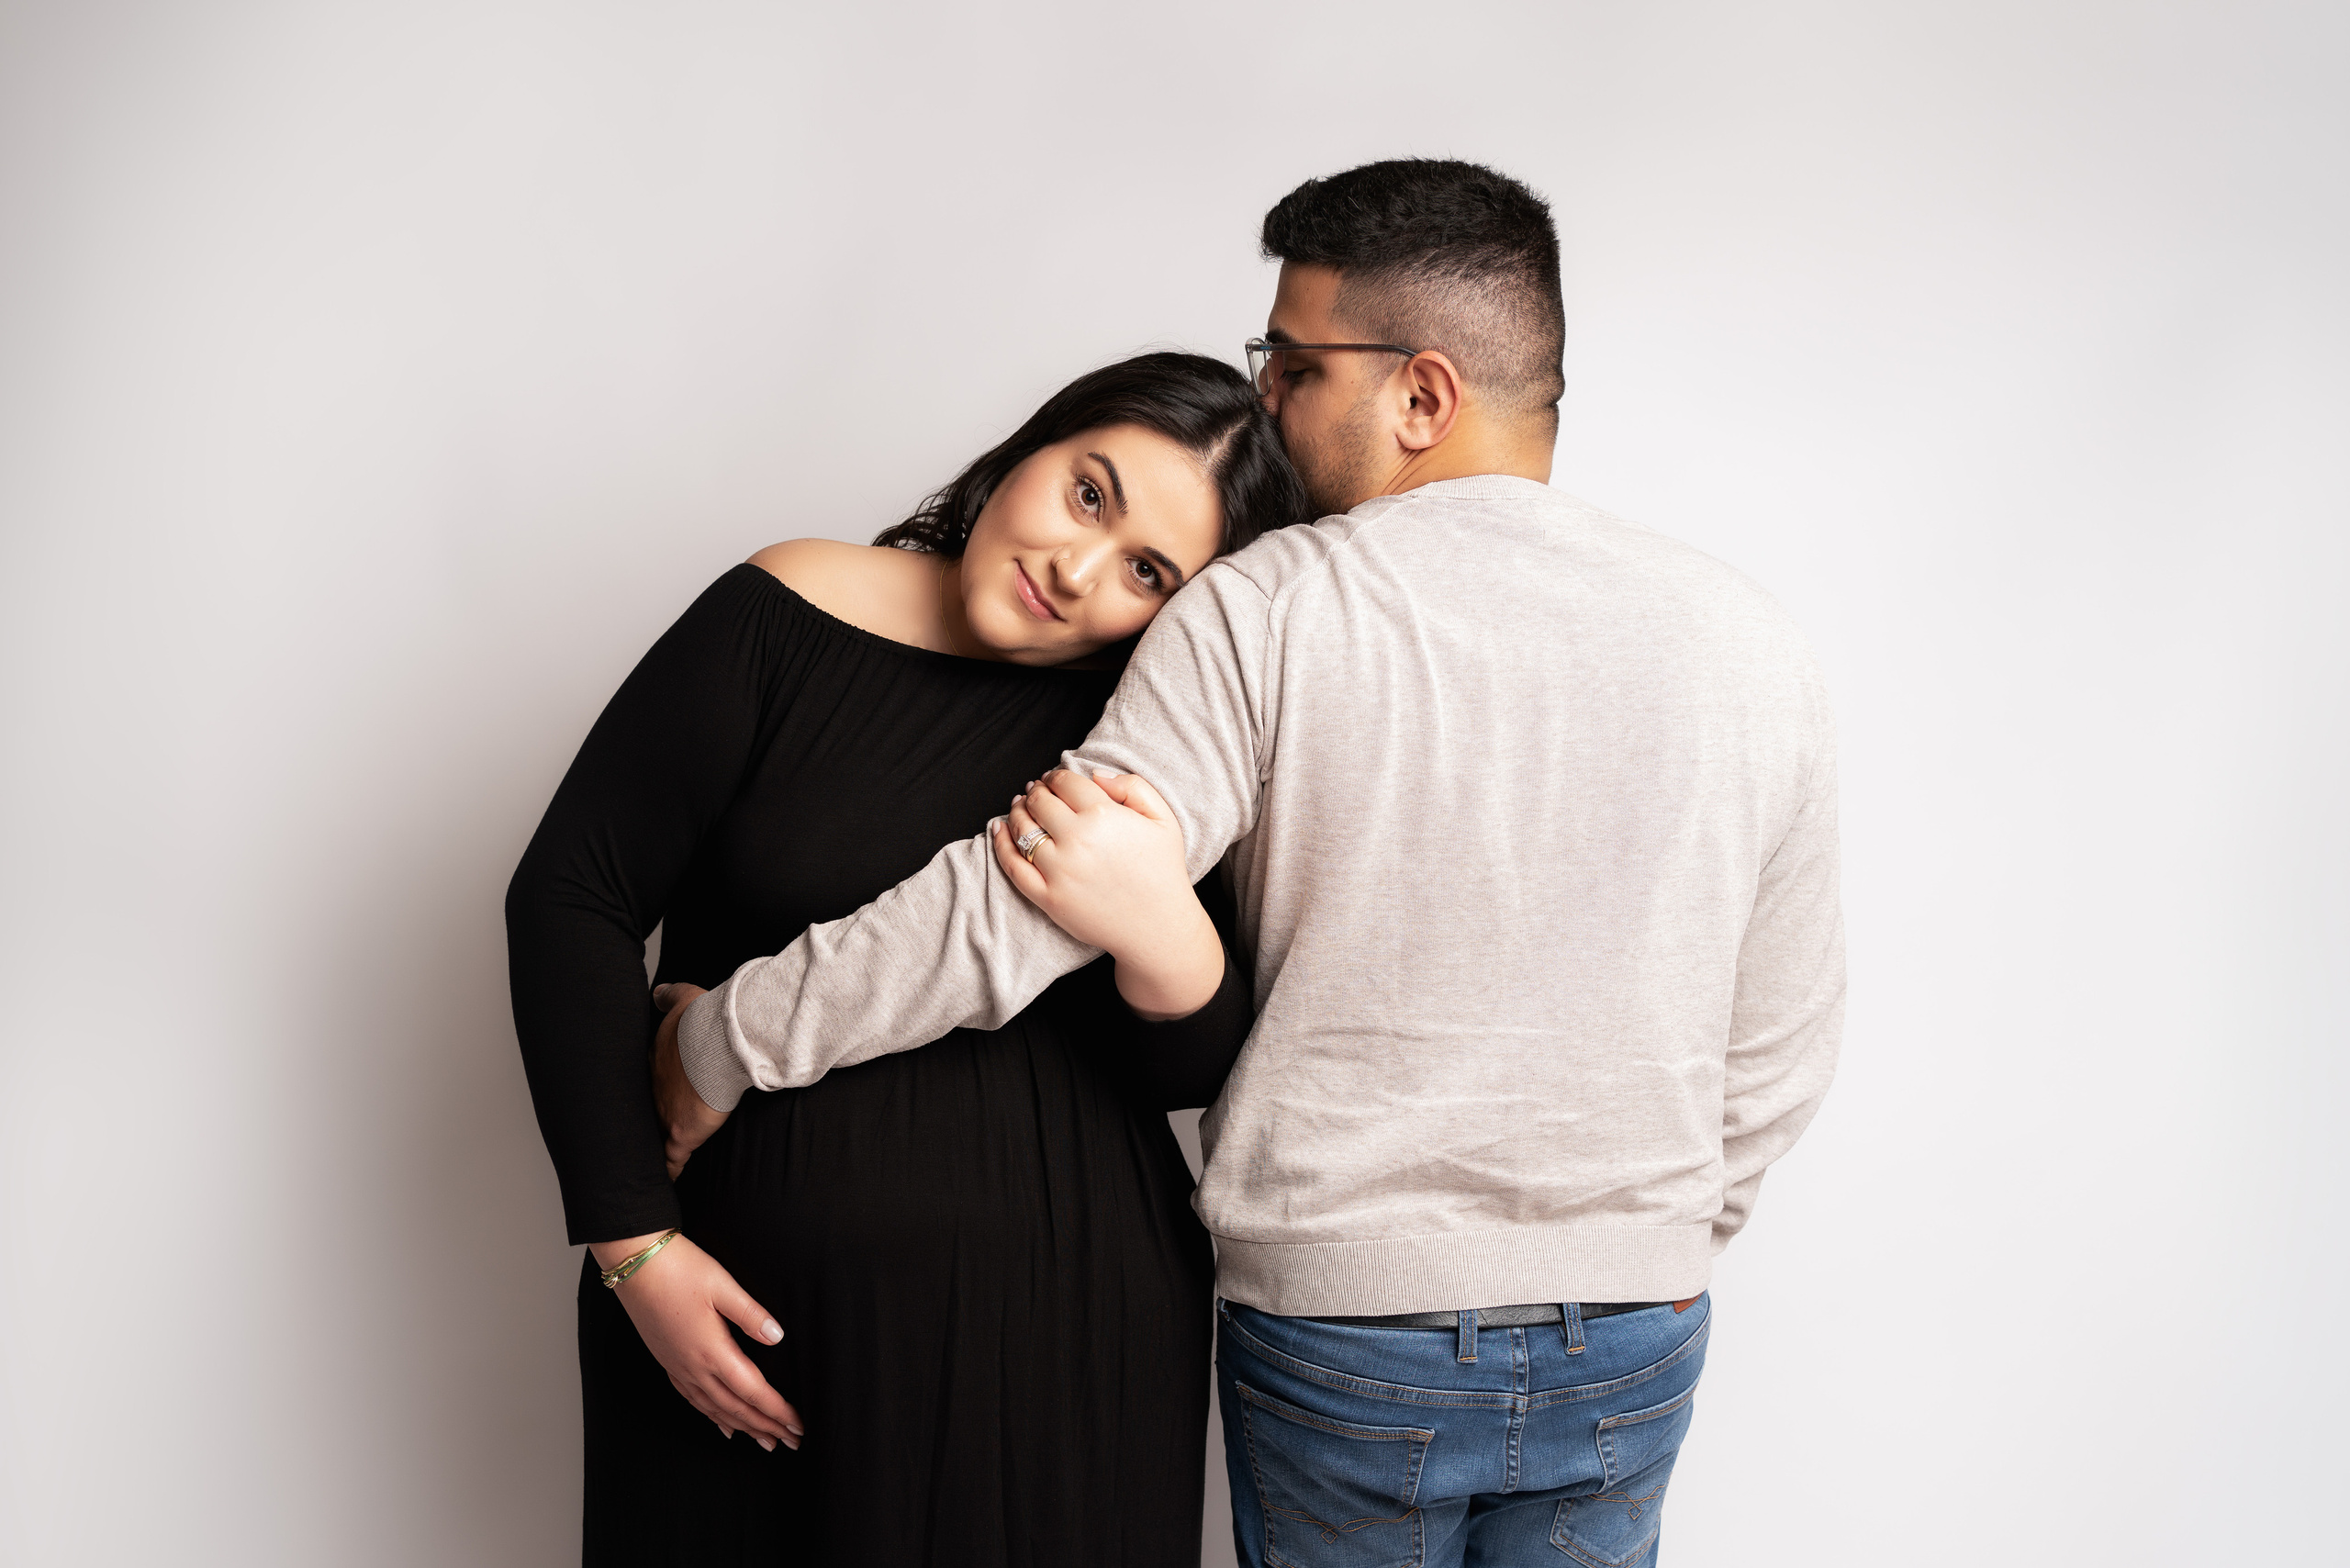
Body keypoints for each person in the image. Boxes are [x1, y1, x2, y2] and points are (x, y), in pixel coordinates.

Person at [656, 160, 1845, 1568]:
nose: (1266, 399)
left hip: (1351, 1332)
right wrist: (1645, 1249)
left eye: (1290, 363)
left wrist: (721, 1043)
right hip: (1637, 1338)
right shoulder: (1747, 640)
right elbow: (1785, 1035)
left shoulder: (1270, 608)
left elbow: (1019, 894)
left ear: (1421, 394)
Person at [504, 351, 1307, 1567]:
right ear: (1032, 445)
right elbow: (571, 896)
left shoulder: (1154, 734)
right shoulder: (789, 609)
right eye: (1091, 494)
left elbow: (1189, 1068)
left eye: (1149, 571)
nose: (1076, 570)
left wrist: (1160, 924)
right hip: (746, 1323)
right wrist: (635, 1252)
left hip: (1070, 1347)